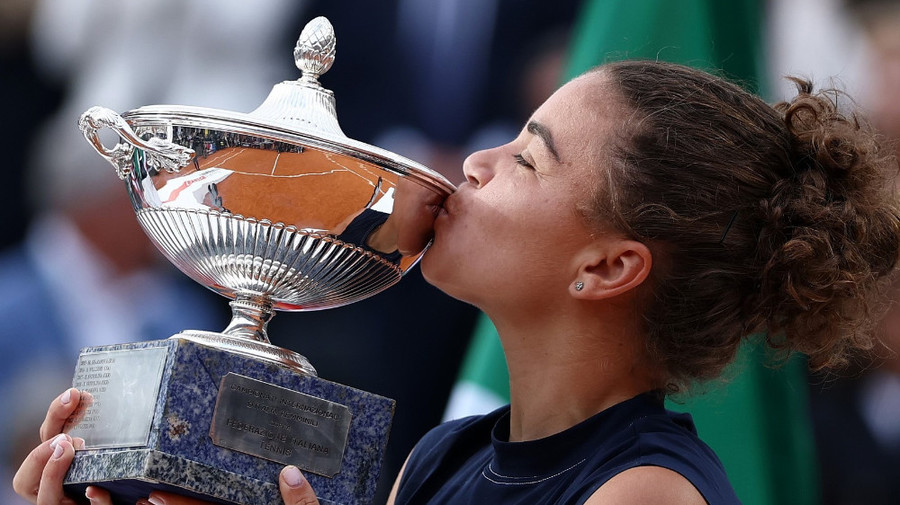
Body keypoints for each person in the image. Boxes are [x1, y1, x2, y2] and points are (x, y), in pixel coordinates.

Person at [14, 59, 900, 504]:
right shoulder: (442, 458)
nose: (473, 163)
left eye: (527, 158)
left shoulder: (645, 491)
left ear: (607, 266)